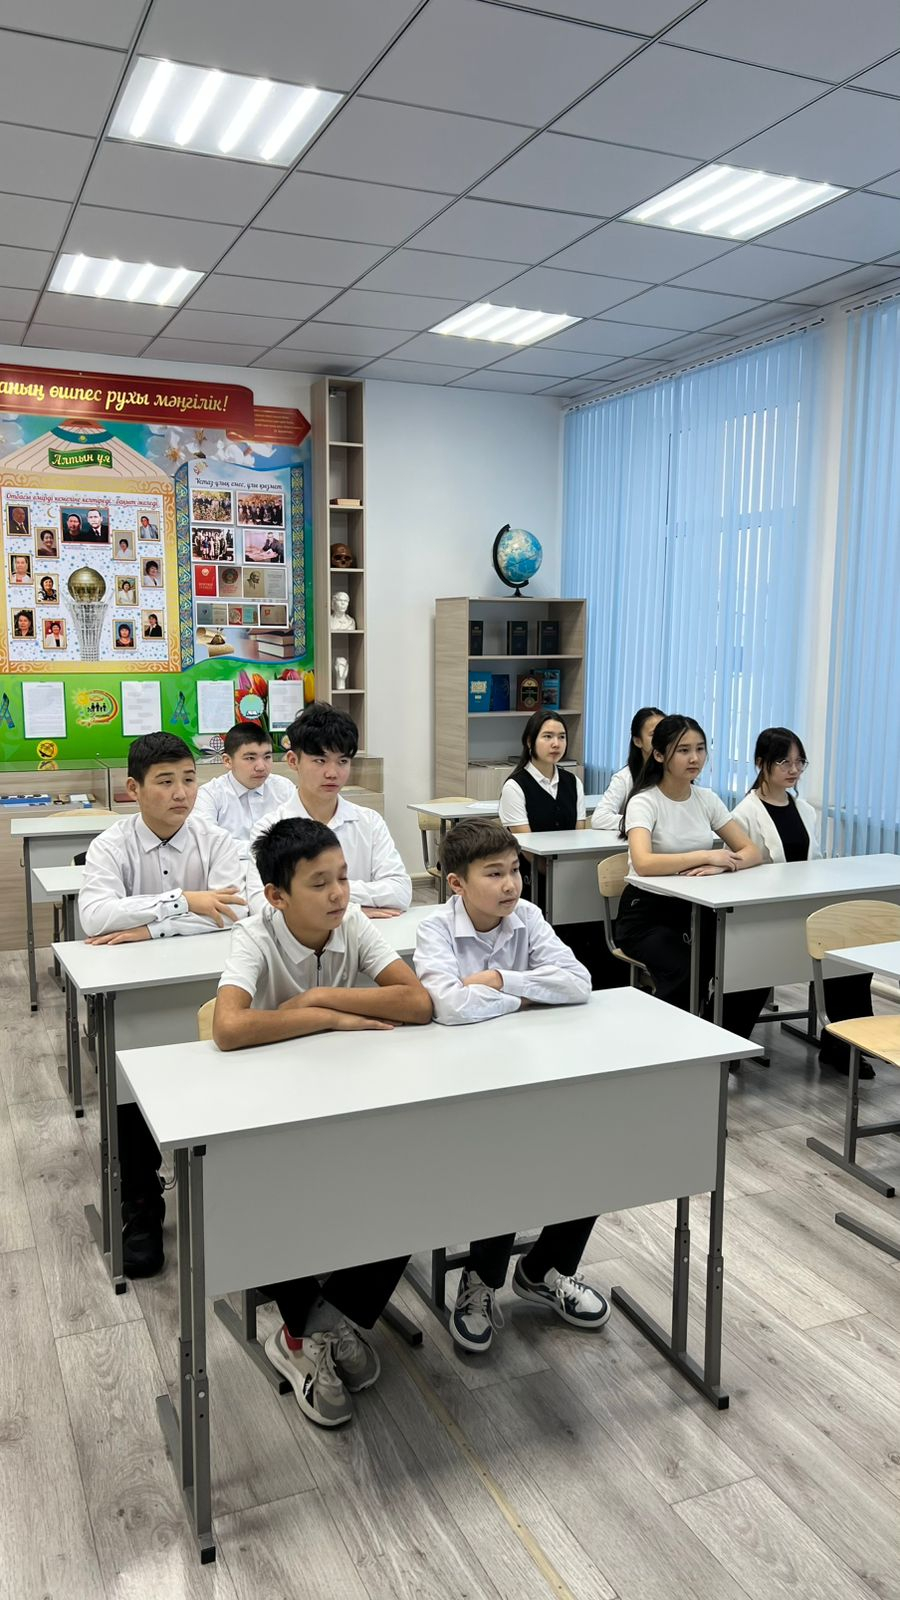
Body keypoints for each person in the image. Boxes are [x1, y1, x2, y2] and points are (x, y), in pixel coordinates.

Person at [214, 817, 432, 1427]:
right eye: (319, 883)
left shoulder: (351, 922)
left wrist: (316, 999)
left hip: (346, 1095)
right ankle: (300, 1332)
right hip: (269, 1110)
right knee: (275, 1194)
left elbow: (416, 1001)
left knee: (416, 1180)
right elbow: (228, 1027)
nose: (338, 893)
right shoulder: (255, 935)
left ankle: (318, 1324)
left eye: (342, 877)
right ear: (276, 896)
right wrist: (329, 1019)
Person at [414, 818, 609, 1354]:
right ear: (457, 883)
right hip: (463, 1084)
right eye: (494, 873)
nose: (510, 884)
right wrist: (529, 996)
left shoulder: (528, 917)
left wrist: (502, 981)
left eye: (515, 871)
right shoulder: (435, 929)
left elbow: (579, 982)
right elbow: (449, 1006)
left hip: (532, 1069)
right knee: (503, 1159)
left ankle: (544, 1270)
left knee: (595, 1149)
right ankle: (480, 1279)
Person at [78, 732, 247, 1277]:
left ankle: (225, 1195)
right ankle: (142, 1206)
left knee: (222, 1081)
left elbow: (237, 910)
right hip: (135, 996)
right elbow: (95, 917)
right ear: (134, 789)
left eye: (190, 779)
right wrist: (185, 902)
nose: (182, 793)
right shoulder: (111, 845)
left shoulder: (216, 840)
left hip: (211, 986)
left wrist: (150, 927)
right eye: (166, 782)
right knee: (128, 1089)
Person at [730, 726, 877, 1076]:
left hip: (805, 909)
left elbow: (816, 863)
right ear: (761, 763)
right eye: (784, 762)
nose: (794, 769)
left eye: (800, 762)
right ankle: (728, 1046)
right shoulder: (744, 814)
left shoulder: (806, 810)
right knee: (749, 969)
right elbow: (735, 872)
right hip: (764, 915)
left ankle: (843, 1047)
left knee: (851, 957)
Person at [615, 715, 764, 1033]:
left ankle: (718, 1037)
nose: (694, 758)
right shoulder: (644, 801)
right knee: (683, 969)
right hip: (647, 915)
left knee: (750, 963)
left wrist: (724, 864)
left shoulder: (706, 799)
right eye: (683, 750)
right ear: (659, 755)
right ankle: (669, 1044)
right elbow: (644, 863)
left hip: (699, 910)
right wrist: (706, 855)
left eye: (700, 749)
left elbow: (752, 851)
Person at [246, 704, 411, 917]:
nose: (332, 773)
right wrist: (350, 910)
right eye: (320, 761)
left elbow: (400, 892)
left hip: (364, 935)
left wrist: (310, 894)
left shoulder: (369, 822)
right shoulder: (269, 828)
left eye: (342, 761)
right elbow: (261, 905)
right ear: (293, 761)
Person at [192, 722, 295, 849]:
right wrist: (268, 849)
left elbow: (300, 835)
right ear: (227, 761)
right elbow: (208, 842)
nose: (261, 767)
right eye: (250, 758)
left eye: (267, 757)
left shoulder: (284, 788)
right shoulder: (209, 795)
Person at [591, 706, 665, 832]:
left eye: (665, 734)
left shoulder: (677, 774)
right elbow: (600, 818)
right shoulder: (624, 778)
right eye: (654, 734)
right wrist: (641, 822)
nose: (661, 740)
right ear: (638, 741)